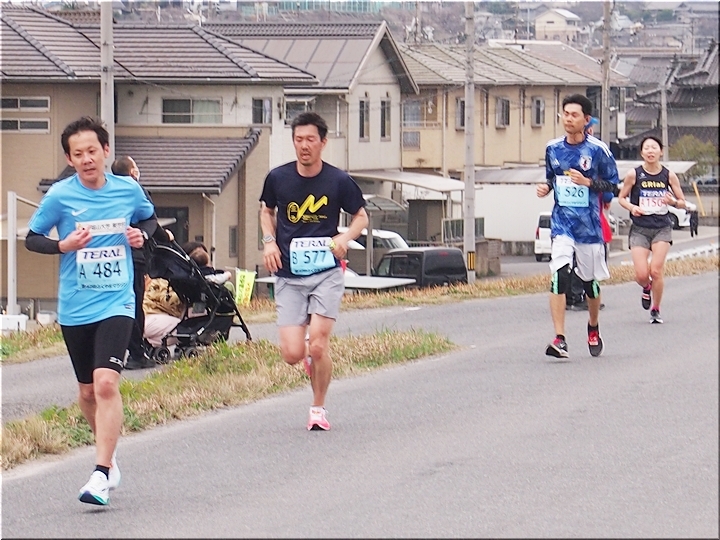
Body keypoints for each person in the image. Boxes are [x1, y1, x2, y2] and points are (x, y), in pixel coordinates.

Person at [25, 116, 156, 505]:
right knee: (86, 392)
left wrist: (141, 235)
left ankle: (99, 475)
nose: (86, 159)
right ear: (70, 158)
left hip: (118, 300)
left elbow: (149, 219)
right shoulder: (60, 196)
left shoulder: (128, 189)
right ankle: (109, 458)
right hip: (76, 306)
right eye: (78, 153)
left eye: (92, 151)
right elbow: (32, 238)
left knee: (106, 384)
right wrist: (62, 246)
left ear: (106, 152)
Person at [259, 112, 368, 431]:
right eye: (298, 139)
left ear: (323, 142)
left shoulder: (338, 180)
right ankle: (308, 357)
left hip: (326, 272)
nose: (304, 145)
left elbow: (361, 217)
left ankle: (318, 408)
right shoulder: (278, 177)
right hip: (289, 274)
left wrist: (344, 239)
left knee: (318, 344)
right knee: (292, 354)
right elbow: (266, 210)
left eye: (310, 139)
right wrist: (269, 242)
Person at [536, 95, 619, 359]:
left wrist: (588, 183)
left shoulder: (598, 150)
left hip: (589, 227)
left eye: (574, 115)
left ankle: (593, 327)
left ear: (586, 120)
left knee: (589, 283)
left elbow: (613, 186)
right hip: (562, 224)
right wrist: (546, 187)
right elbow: (552, 177)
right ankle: (560, 339)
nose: (569, 119)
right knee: (559, 274)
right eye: (565, 114)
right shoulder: (552, 148)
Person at [617, 135, 688, 324]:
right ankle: (646, 287)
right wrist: (632, 207)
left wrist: (673, 202)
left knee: (656, 270)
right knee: (641, 275)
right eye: (646, 148)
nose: (650, 151)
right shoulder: (634, 174)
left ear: (661, 152)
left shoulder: (669, 175)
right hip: (640, 228)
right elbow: (621, 198)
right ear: (641, 153)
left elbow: (683, 202)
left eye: (654, 148)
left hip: (661, 228)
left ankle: (656, 309)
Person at [111, 155, 155, 370]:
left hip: (110, 258)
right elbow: (151, 219)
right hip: (133, 258)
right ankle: (136, 353)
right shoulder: (134, 190)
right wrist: (159, 236)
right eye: (136, 167)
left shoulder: (107, 191)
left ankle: (123, 350)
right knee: (133, 305)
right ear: (132, 172)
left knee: (115, 305)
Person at [143, 274, 184, 348]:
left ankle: (149, 345)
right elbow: (168, 302)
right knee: (184, 328)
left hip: (136, 320)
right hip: (147, 320)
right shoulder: (160, 282)